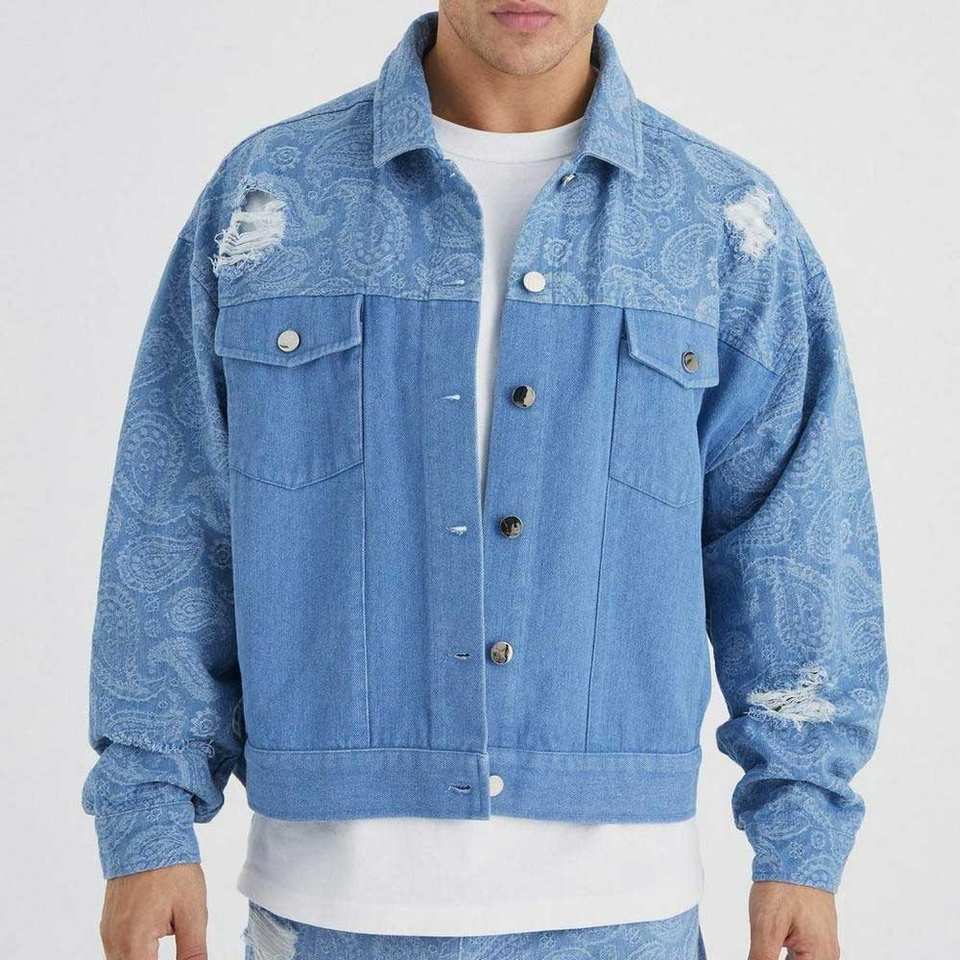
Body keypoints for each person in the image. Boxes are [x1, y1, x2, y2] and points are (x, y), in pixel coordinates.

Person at [83, 3, 887, 959]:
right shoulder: (273, 197)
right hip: (328, 913)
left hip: (623, 917)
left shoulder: (720, 220)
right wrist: (148, 821)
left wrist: (801, 841)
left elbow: (797, 544)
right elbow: (176, 516)